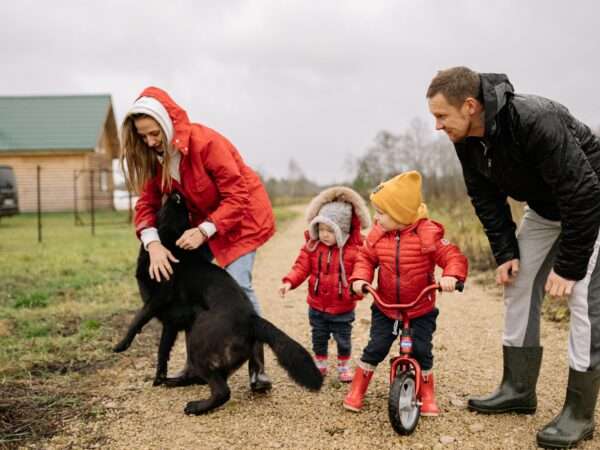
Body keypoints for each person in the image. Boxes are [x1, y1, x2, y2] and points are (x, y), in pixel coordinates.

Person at [426, 66, 600, 448]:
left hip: (591, 204)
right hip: (544, 209)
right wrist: (505, 251)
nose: (437, 126)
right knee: (517, 282)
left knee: (584, 301)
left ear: (469, 106)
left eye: (441, 116)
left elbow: (583, 192)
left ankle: (579, 413)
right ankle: (518, 389)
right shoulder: (465, 139)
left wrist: (569, 266)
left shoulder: (535, 119)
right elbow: (484, 197)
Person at [120, 86, 276, 393]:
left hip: (241, 219)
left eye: (154, 134)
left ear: (166, 125)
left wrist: (205, 230)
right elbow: (146, 204)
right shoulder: (158, 159)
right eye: (143, 136)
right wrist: (152, 244)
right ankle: (195, 365)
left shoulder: (207, 144)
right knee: (189, 290)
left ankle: (257, 366)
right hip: (200, 224)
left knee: (238, 284)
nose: (150, 142)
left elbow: (237, 195)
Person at [343, 171, 468, 415]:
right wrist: (360, 278)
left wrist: (452, 275)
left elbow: (452, 255)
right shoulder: (378, 236)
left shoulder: (427, 233)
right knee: (376, 347)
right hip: (386, 307)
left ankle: (428, 393)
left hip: (420, 307)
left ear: (400, 213)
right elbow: (365, 259)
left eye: (381, 212)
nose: (376, 218)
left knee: (422, 350)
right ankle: (357, 390)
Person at [279, 186, 370, 382]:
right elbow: (301, 266)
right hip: (317, 305)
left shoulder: (354, 251)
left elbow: (361, 273)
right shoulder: (313, 247)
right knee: (318, 336)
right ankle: (320, 362)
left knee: (343, 339)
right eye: (321, 229)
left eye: (330, 230)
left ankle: (343, 364)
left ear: (343, 231)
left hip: (343, 307)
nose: (324, 234)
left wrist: (358, 289)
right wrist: (289, 282)